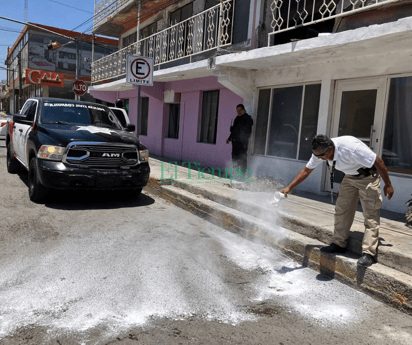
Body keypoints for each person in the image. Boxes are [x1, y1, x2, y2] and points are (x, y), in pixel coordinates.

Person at [280, 134, 394, 267]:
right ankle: (339, 244)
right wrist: (289, 188)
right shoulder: (319, 151)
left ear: (330, 149)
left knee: (371, 214)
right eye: (317, 156)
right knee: (341, 209)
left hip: (368, 176)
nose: (319, 159)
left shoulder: (351, 148)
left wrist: (388, 184)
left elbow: (378, 162)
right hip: (350, 177)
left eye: (321, 156)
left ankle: (369, 253)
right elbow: (306, 170)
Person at [226, 104, 253, 173]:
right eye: (237, 110)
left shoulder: (247, 118)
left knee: (242, 158)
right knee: (234, 158)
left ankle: (243, 175)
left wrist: (243, 138)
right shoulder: (236, 119)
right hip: (235, 143)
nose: (239, 112)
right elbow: (234, 131)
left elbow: (248, 131)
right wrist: (229, 138)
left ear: (243, 110)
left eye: (240, 110)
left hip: (242, 143)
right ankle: (235, 173)